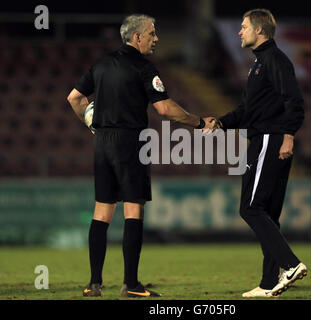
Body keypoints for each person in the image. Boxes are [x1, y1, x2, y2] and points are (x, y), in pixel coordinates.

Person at [67, 14, 215, 298]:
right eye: (152, 33)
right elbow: (164, 109)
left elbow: (74, 98)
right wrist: (198, 122)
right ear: (136, 37)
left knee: (102, 210)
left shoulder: (100, 64)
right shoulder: (143, 67)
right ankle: (131, 285)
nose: (156, 38)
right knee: (133, 209)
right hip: (130, 142)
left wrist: (90, 124)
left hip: (103, 143)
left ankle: (94, 284)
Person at [213, 9, 307, 297]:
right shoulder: (260, 63)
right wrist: (221, 122)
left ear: (259, 30)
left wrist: (288, 136)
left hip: (269, 140)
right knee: (268, 213)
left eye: (243, 27)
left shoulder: (273, 60)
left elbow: (295, 101)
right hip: (268, 138)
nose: (239, 32)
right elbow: (247, 111)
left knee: (250, 208)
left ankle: (290, 264)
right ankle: (268, 283)